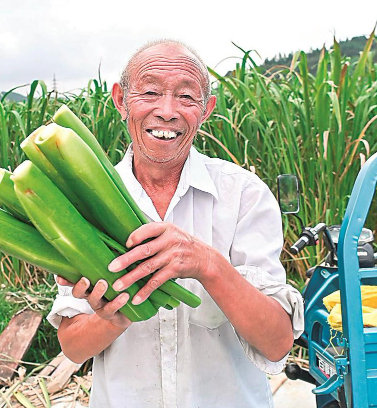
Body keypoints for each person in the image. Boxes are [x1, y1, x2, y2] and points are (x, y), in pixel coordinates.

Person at [47, 40, 304, 407]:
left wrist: (208, 264)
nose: (167, 112)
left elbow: (277, 343)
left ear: (206, 109)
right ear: (121, 100)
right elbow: (73, 348)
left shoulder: (243, 195)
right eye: (150, 92)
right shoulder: (81, 204)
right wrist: (113, 317)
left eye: (186, 97)